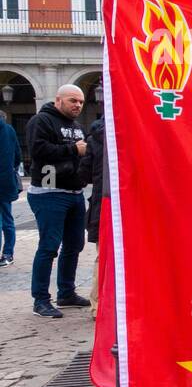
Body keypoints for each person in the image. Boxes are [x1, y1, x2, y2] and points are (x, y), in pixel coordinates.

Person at [26, 84, 90, 319]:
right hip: (48, 192)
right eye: (73, 100)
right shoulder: (41, 121)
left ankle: (66, 292)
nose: (78, 105)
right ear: (58, 100)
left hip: (73, 193)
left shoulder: (77, 126)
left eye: (81, 102)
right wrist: (73, 149)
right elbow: (38, 150)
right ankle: (40, 299)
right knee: (49, 246)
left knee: (75, 245)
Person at [80, 116, 106, 317]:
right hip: (133, 200)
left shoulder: (95, 135)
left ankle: (98, 306)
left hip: (102, 201)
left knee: (103, 256)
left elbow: (84, 174)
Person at [0, 110, 21, 266]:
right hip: (6, 182)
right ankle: (8, 253)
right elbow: (18, 156)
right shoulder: (10, 130)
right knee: (7, 219)